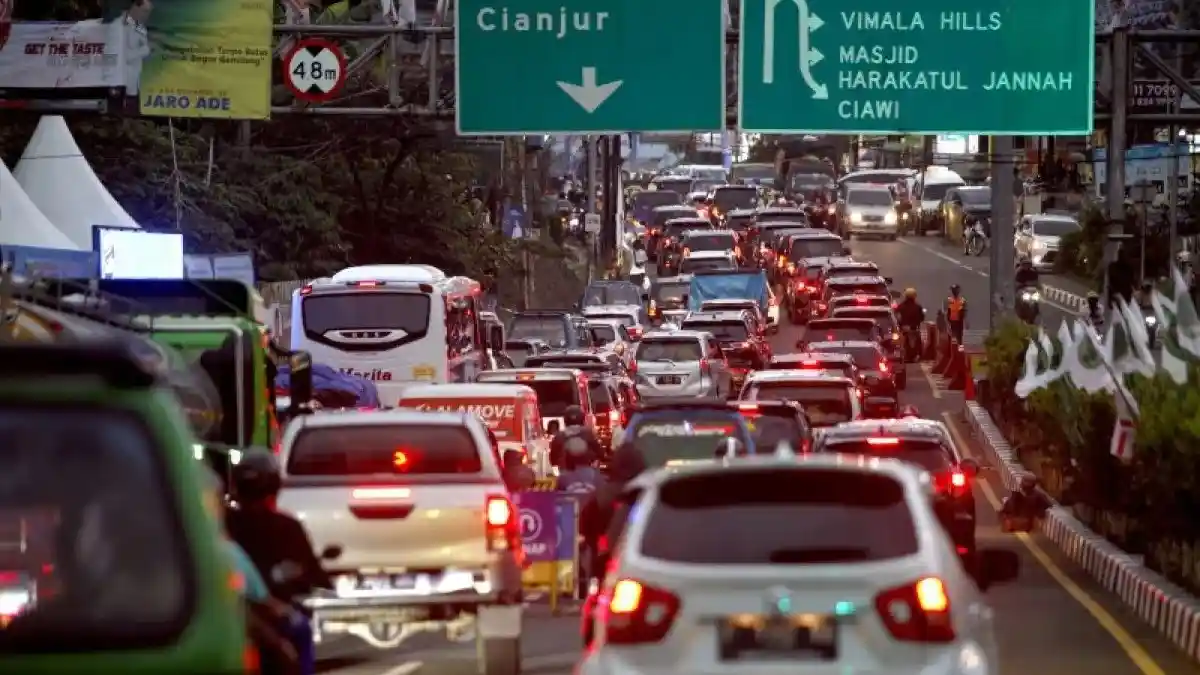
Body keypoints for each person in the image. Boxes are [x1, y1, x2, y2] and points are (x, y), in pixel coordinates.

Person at [549, 405, 604, 469]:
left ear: (565, 420)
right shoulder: (589, 434)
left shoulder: (559, 437)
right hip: (587, 475)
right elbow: (600, 454)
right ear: (582, 419)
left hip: (566, 475)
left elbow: (553, 461)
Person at [895, 288, 924, 356]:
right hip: (914, 328)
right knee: (918, 340)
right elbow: (922, 318)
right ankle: (919, 354)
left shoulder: (900, 306)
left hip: (903, 328)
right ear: (914, 296)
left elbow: (897, 318)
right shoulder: (918, 307)